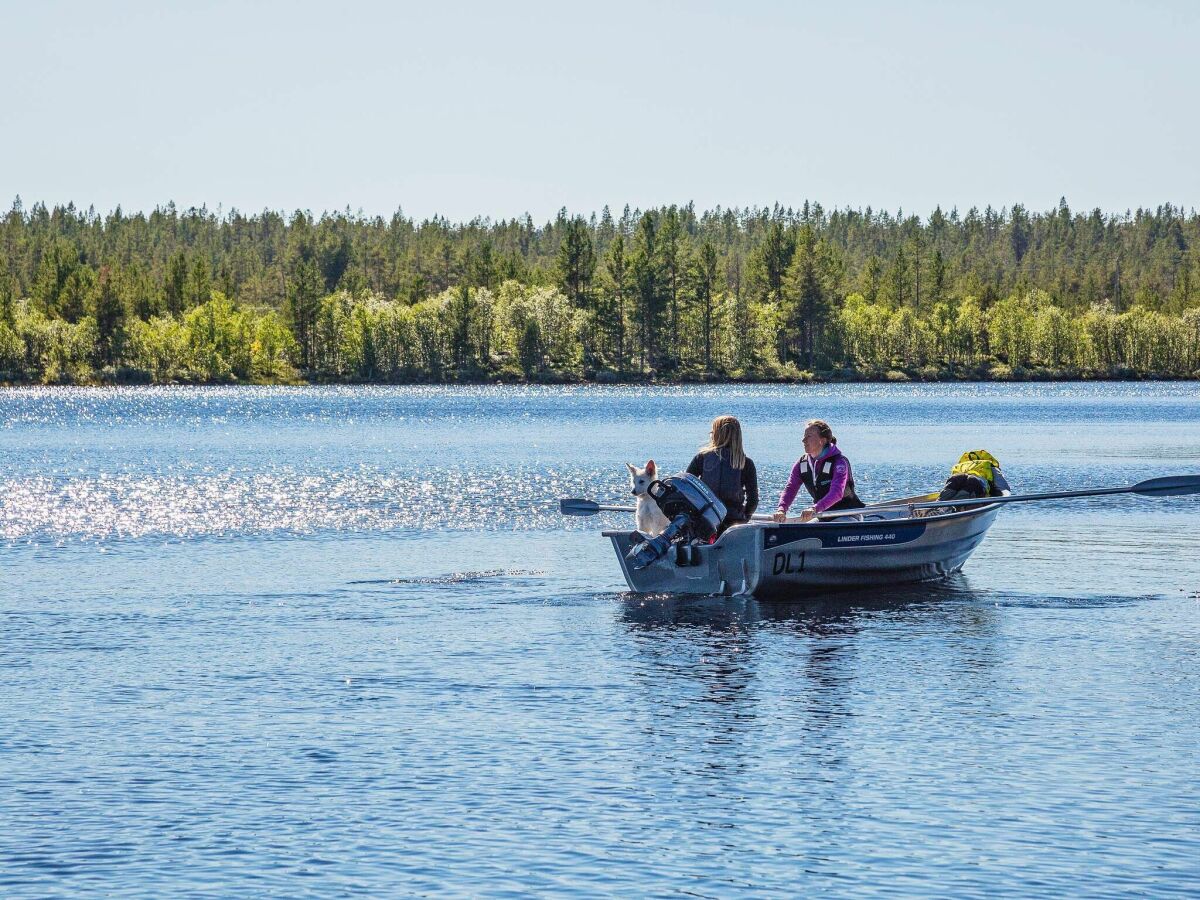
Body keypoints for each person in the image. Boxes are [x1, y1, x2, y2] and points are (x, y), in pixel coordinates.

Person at [772, 419, 865, 523]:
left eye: (809, 436)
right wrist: (781, 509)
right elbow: (791, 488)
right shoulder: (802, 463)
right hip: (823, 515)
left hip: (847, 514)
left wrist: (815, 508)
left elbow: (837, 493)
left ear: (822, 440)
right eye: (804, 436)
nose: (803, 440)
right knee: (806, 530)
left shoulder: (839, 462)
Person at [686, 415, 759, 534]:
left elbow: (687, 487)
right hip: (734, 522)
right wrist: (745, 517)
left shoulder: (702, 458)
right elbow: (753, 500)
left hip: (705, 519)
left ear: (716, 435)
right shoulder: (746, 463)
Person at [938, 450, 1011, 500]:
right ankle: (951, 507)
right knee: (962, 497)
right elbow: (1004, 488)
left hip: (956, 478)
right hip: (975, 481)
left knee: (944, 497)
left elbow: (948, 481)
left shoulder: (962, 465)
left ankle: (937, 507)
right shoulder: (990, 466)